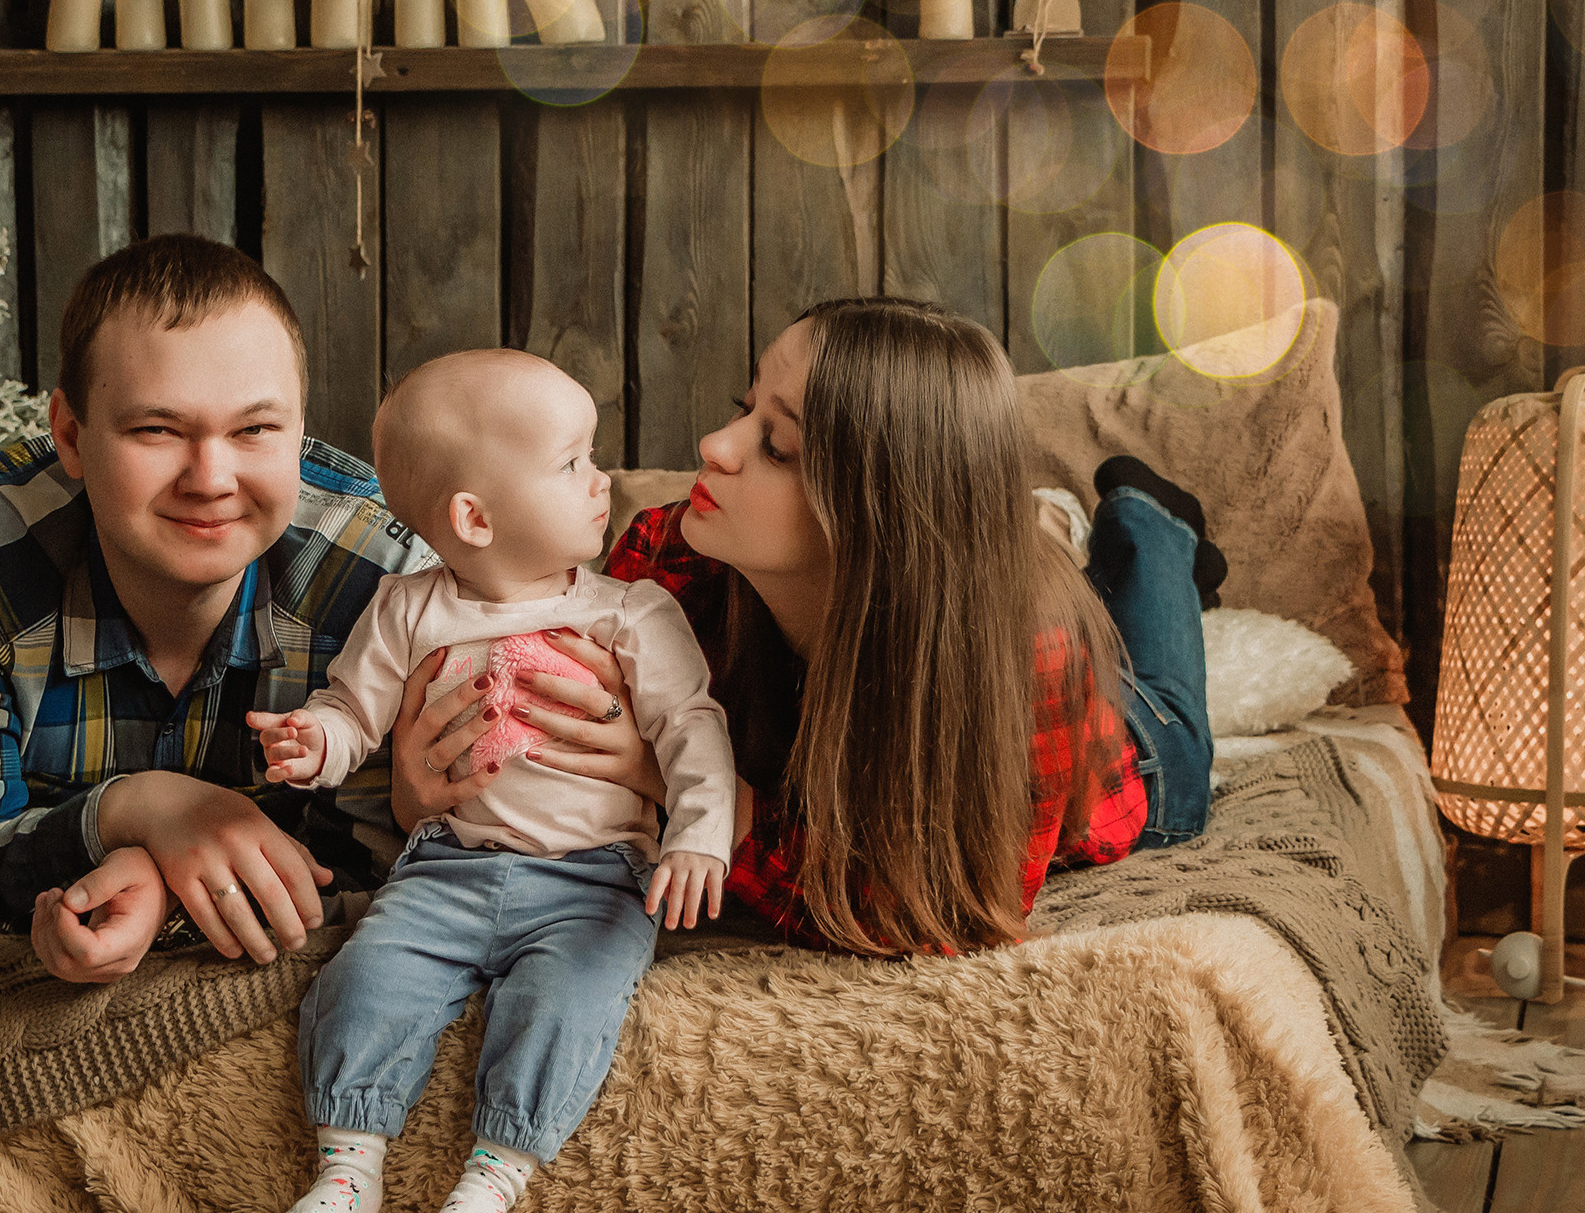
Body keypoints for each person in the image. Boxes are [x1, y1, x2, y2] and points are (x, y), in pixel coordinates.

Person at [0, 234, 642, 981]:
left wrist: (163, 885)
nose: (210, 478)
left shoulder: (394, 582)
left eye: (255, 429)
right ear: (70, 433)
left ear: (300, 432)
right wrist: (135, 811)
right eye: (156, 429)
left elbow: (393, 862)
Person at [382, 296, 1222, 957]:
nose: (715, 444)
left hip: (1126, 760)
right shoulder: (666, 561)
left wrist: (671, 780)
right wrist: (418, 797)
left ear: (878, 516)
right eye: (744, 406)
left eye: (776, 445)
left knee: (1168, 715)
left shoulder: (1028, 654)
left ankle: (1150, 516)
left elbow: (943, 914)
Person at [246, 348, 734, 1213]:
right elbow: (356, 708)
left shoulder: (629, 614)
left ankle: (493, 1175)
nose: (603, 481)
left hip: (595, 880)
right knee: (362, 979)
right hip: (446, 868)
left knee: (567, 999)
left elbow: (692, 729)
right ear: (474, 517)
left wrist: (699, 836)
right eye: (572, 463)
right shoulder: (408, 609)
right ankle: (348, 1172)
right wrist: (317, 740)